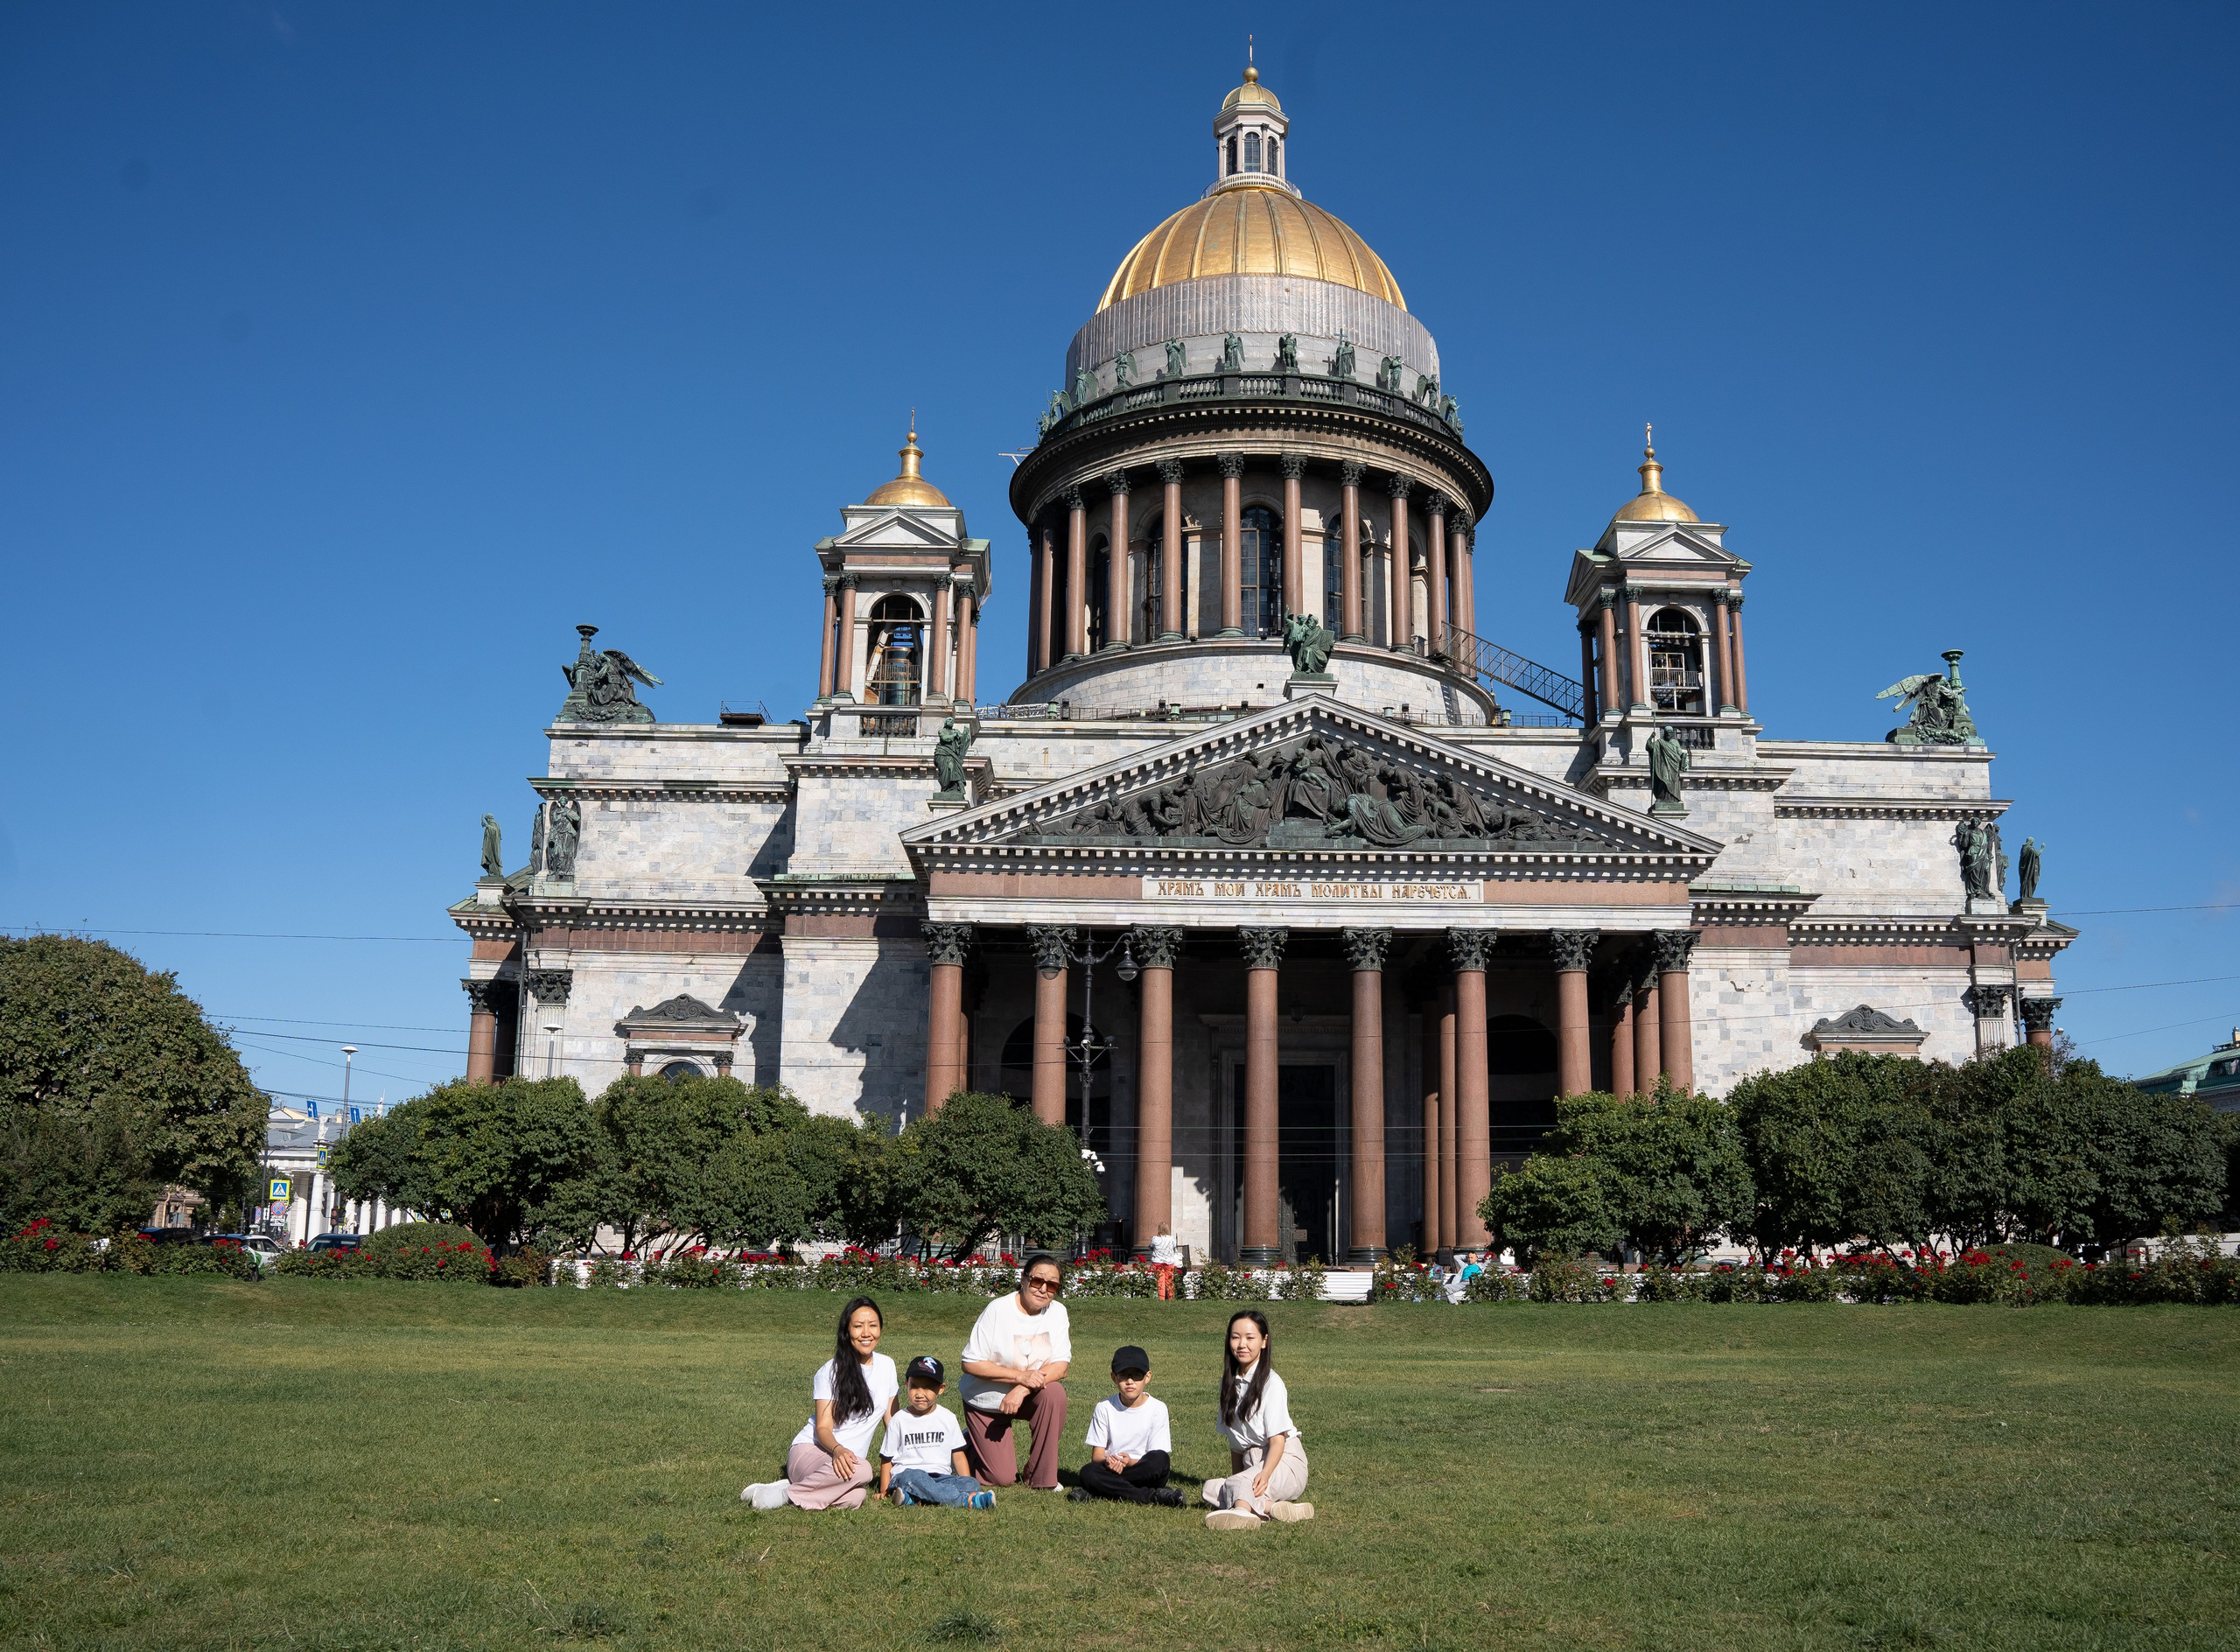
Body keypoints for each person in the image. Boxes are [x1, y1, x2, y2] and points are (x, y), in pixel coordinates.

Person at [742, 1295, 896, 1512]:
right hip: (812, 1451)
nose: (866, 1333)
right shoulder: (830, 1372)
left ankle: (791, 1488)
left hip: (844, 1465)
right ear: (846, 1331)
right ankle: (786, 1495)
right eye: (858, 1326)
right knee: (864, 1471)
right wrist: (838, 1450)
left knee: (857, 1497)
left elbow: (893, 1421)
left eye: (873, 1325)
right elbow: (823, 1428)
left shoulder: (887, 1366)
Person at [959, 1251, 1073, 1491]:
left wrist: (1021, 1388)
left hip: (1026, 1394)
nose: (1043, 1289)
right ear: (1023, 1279)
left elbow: (1061, 1366)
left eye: (1052, 1285)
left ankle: (1042, 1478)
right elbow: (970, 1363)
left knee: (1054, 1394)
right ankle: (966, 1444)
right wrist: (1020, 1376)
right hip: (986, 1399)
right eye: (1037, 1281)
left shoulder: (1058, 1313)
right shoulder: (997, 1310)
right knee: (1001, 1479)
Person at [1203, 1309, 1311, 1530]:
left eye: (1250, 1338)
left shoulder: (1271, 1383)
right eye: (1235, 1337)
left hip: (1283, 1462)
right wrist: (1239, 1478)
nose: (1242, 1344)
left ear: (1264, 1341)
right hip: (1252, 1462)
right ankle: (1271, 1507)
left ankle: (1242, 1513)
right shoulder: (1228, 1383)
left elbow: (1278, 1440)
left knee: (1238, 1484)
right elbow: (1235, 1445)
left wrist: (1264, 1473)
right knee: (1210, 1488)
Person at [1070, 1345, 1183, 1507]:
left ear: (1148, 1377)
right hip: (1111, 1468)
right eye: (1123, 1376)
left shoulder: (1158, 1408)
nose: (1130, 1382)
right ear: (1114, 1378)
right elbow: (1097, 1456)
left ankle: (1097, 1489)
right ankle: (1151, 1496)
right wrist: (1109, 1462)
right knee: (1089, 1472)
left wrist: (1129, 1462)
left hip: (1142, 1469)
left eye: (1137, 1375)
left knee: (1161, 1460)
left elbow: (1156, 1456)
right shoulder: (1104, 1407)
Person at [880, 1355, 994, 1509]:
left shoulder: (947, 1418)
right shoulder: (899, 1419)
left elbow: (958, 1455)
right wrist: (884, 1490)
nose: (920, 1394)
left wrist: (964, 1478)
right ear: (906, 1384)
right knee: (915, 1476)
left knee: (971, 1483)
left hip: (940, 1477)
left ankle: (911, 1499)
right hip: (907, 1475)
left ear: (941, 1389)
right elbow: (887, 1459)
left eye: (927, 1387)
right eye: (914, 1386)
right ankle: (967, 1501)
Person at [1149, 1224, 1181, 1300]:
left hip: (1157, 1262)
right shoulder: (1171, 1239)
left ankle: (1161, 1298)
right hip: (1169, 1262)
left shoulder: (1155, 1238)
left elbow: (1150, 1247)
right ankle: (1171, 1297)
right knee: (1170, 1280)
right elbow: (1174, 1248)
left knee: (1160, 1281)